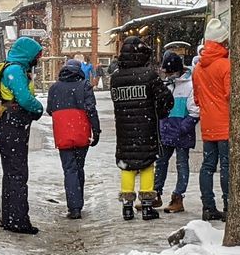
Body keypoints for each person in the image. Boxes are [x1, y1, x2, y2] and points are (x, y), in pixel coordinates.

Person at [109, 37, 168, 221]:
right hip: (146, 126)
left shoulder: (116, 78)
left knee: (127, 164)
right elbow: (165, 98)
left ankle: (127, 206)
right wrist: (161, 111)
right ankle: (147, 206)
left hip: (124, 128)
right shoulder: (149, 75)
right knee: (147, 163)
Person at [0, 35, 44, 234]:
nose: (37, 61)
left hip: (8, 126)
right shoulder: (14, 70)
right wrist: (38, 108)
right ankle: (17, 220)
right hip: (11, 126)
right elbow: (23, 98)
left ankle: (10, 217)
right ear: (28, 55)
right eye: (36, 56)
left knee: (12, 173)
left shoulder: (15, 68)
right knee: (17, 173)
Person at [48, 58, 101, 219]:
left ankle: (74, 207)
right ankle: (79, 202)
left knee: (69, 169)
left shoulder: (54, 88)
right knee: (79, 167)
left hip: (63, 133)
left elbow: (50, 109)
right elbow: (91, 110)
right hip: (81, 131)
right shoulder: (84, 86)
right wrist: (96, 131)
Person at [194, 20, 231, 220]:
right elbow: (230, 94)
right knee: (226, 165)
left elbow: (197, 99)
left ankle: (208, 206)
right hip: (225, 123)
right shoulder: (225, 65)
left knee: (208, 165)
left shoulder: (198, 68)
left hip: (208, 123)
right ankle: (228, 205)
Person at [156, 51, 196, 214]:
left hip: (180, 133)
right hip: (166, 131)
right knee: (161, 163)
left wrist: (181, 129)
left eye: (170, 72)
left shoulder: (189, 86)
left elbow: (194, 112)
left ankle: (178, 197)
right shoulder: (166, 85)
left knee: (181, 164)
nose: (168, 76)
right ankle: (155, 193)